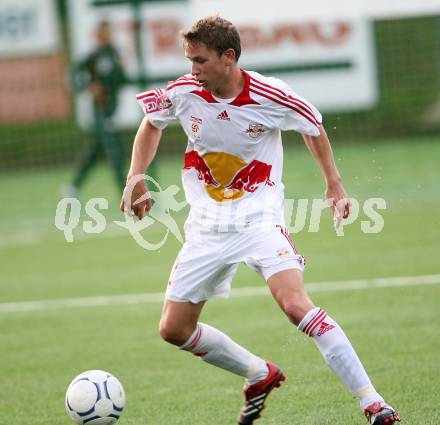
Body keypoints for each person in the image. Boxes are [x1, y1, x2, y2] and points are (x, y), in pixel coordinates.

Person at [121, 15, 400, 425]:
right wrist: (135, 177)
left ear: (228, 57)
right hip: (207, 227)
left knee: (294, 304)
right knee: (174, 330)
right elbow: (151, 124)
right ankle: (258, 373)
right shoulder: (185, 92)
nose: (192, 70)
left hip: (258, 220)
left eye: (200, 61)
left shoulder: (271, 95)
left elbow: (313, 126)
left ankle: (372, 402)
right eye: (189, 61)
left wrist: (334, 184)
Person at [64, 21, 126, 197]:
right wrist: (87, 86)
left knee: (95, 151)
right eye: (105, 32)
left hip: (112, 110)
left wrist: (122, 69)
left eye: (109, 31)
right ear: (98, 35)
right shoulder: (94, 55)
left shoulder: (115, 53)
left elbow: (121, 80)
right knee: (115, 151)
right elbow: (74, 73)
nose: (108, 35)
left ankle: (73, 187)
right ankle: (126, 192)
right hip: (100, 110)